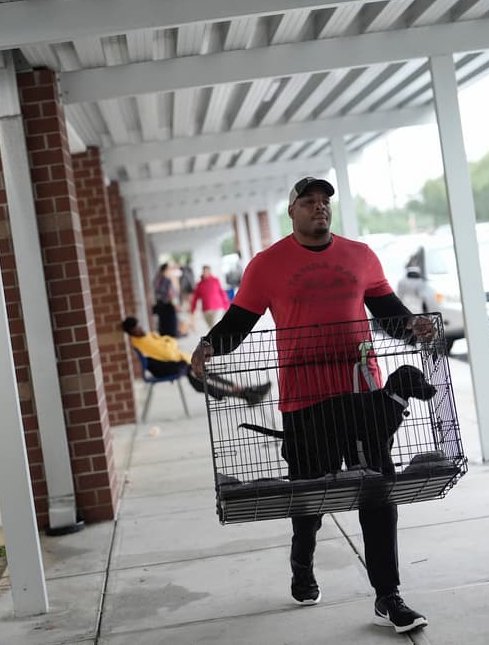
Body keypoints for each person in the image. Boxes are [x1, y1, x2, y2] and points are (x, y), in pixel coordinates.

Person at [191, 176, 435, 634]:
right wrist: (208, 346)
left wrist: (413, 328)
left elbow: (390, 315)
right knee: (309, 502)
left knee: (377, 497)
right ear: (292, 212)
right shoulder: (267, 265)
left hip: (363, 397)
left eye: (324, 202)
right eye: (309, 202)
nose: (319, 208)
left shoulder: (360, 256)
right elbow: (239, 322)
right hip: (305, 402)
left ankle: (389, 596)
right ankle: (302, 564)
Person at [121, 317, 270, 405]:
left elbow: (170, 343)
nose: (140, 329)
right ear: (131, 332)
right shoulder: (144, 341)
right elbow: (170, 350)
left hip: (177, 364)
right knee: (204, 379)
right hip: (173, 366)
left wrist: (168, 342)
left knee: (207, 378)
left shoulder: (145, 338)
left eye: (139, 326)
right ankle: (247, 394)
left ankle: (248, 392)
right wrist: (168, 342)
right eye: (136, 328)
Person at [152, 263, 180, 337]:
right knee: (171, 325)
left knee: (163, 325)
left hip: (160, 304)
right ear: (165, 270)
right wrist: (175, 304)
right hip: (168, 305)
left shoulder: (157, 279)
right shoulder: (166, 280)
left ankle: (166, 340)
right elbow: (170, 294)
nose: (170, 271)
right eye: (169, 269)